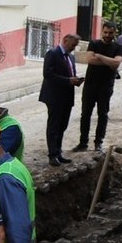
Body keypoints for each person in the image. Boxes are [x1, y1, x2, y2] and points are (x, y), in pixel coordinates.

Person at [73, 22, 122, 154]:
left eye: (110, 33)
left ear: (114, 32)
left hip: (106, 85)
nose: (107, 35)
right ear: (102, 31)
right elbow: (90, 59)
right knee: (85, 114)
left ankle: (98, 142)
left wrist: (100, 56)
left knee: (103, 114)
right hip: (90, 84)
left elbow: (116, 64)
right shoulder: (94, 43)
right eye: (105, 32)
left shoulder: (119, 47)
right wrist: (109, 61)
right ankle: (83, 142)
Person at [38, 34, 83, 166]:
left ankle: (58, 152)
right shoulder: (52, 54)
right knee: (54, 125)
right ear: (65, 40)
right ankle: (52, 155)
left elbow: (70, 74)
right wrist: (68, 81)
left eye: (76, 46)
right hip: (54, 96)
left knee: (63, 125)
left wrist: (75, 80)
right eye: (73, 45)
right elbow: (48, 74)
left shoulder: (71, 57)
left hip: (67, 96)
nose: (74, 48)